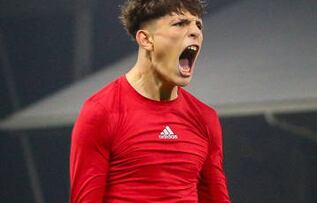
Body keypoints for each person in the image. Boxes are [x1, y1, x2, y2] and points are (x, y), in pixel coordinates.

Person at [69, 0, 231, 202]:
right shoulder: (101, 112)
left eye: (198, 25)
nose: (195, 32)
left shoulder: (205, 118)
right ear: (145, 39)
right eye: (180, 23)